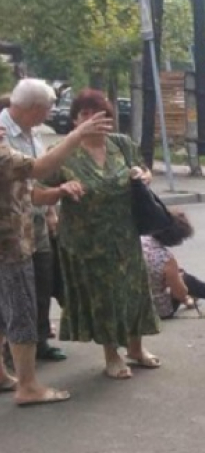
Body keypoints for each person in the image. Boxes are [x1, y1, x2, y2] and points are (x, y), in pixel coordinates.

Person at [42, 89, 160, 380]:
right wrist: (60, 190)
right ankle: (111, 355)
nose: (94, 119)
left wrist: (143, 176)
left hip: (124, 235)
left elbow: (145, 172)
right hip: (86, 241)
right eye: (85, 114)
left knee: (133, 291)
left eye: (100, 113)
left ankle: (136, 348)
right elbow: (35, 192)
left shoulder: (121, 144)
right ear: (74, 121)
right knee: (104, 297)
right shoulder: (62, 152)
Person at [0, 106, 112, 405]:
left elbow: (33, 190)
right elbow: (38, 168)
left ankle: (1, 374)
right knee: (20, 311)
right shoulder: (3, 153)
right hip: (8, 244)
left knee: (3, 311)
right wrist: (77, 135)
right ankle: (28, 386)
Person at [0, 79, 67, 362]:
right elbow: (35, 169)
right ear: (33, 108)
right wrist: (76, 138)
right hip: (11, 229)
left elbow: (40, 176)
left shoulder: (32, 133)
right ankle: (13, 355)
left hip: (35, 220)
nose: (49, 115)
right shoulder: (3, 134)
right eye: (48, 109)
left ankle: (38, 340)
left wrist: (51, 212)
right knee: (16, 295)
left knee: (41, 280)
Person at [141, 209, 205, 319]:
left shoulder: (141, 239)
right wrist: (183, 292)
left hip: (134, 306)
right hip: (157, 310)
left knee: (173, 275)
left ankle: (194, 298)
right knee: (183, 277)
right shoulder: (166, 260)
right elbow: (179, 294)